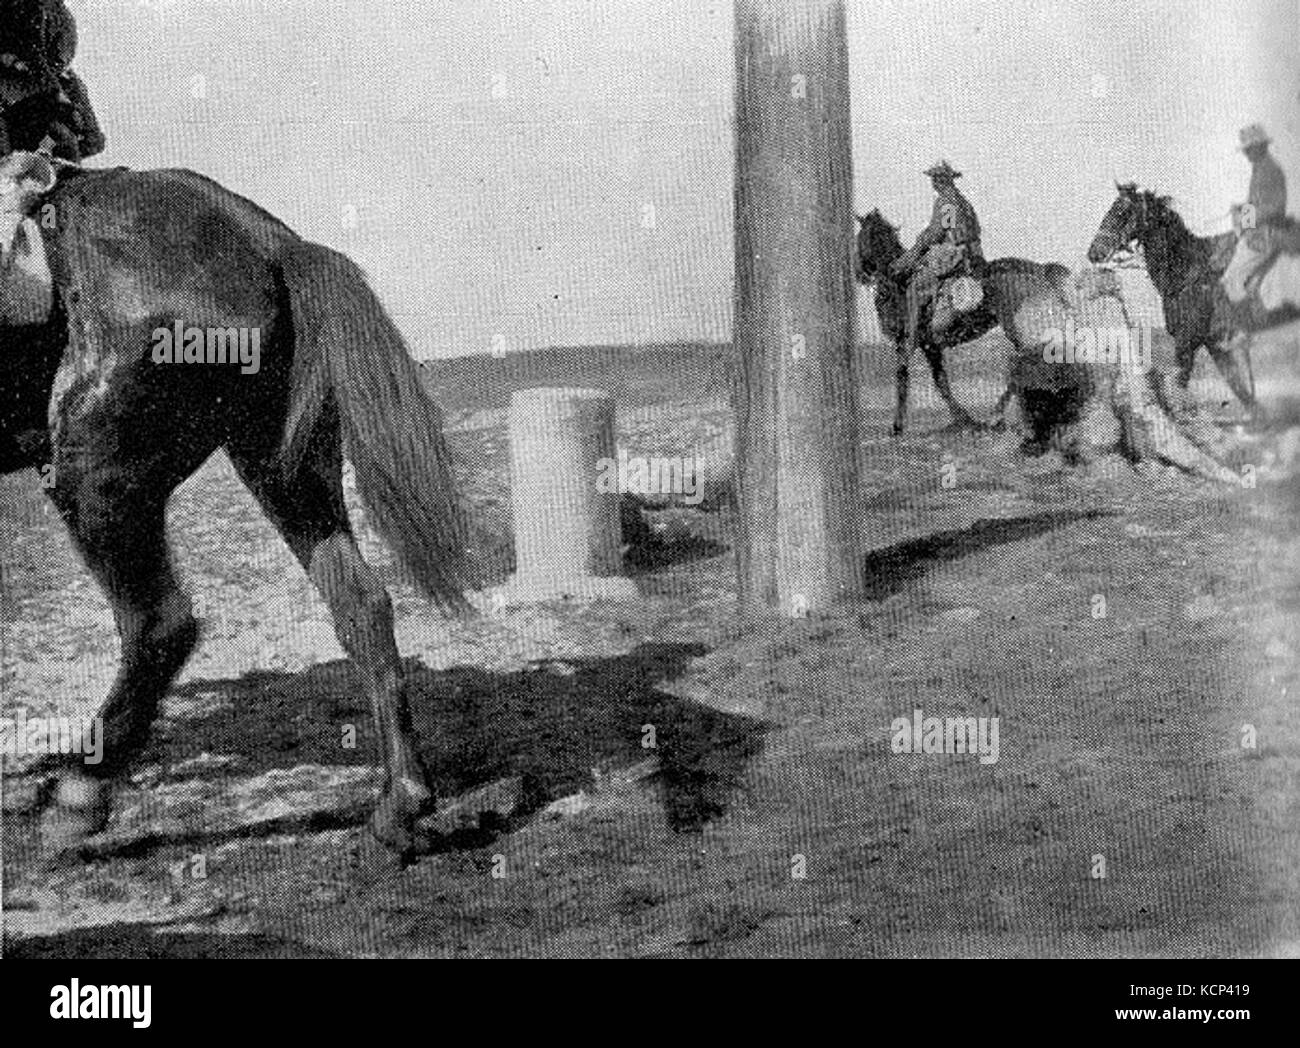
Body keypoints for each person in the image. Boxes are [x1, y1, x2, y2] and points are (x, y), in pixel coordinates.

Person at [889, 160, 985, 354]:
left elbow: (940, 230)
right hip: (973, 252)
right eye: (934, 178)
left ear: (941, 180)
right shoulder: (962, 200)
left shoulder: (947, 200)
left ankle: (911, 340)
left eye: (936, 178)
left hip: (955, 253)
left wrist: (920, 243)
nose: (934, 182)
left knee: (915, 287)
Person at [0, 0, 105, 162]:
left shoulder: (46, 12)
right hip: (30, 78)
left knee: (68, 129)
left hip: (37, 77)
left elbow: (41, 58)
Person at [1221, 124, 1288, 311]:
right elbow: (1258, 203)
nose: (1246, 154)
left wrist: (1245, 218)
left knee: (1230, 280)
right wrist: (1242, 209)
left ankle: (1244, 325)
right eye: (1245, 150)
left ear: (1260, 146)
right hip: (1259, 233)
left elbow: (1275, 206)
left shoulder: (1269, 170)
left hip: (1266, 235)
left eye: (1249, 149)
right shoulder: (1261, 168)